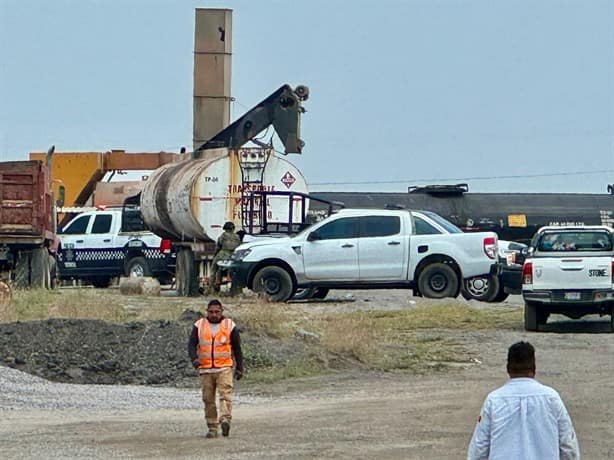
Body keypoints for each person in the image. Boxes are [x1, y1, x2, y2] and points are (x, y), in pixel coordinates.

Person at [467, 341, 580, 460]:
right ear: (534, 368)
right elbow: (568, 447)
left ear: (508, 369)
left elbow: (479, 449)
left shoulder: (494, 400)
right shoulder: (552, 398)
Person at [188, 299, 244, 438]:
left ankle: (225, 419)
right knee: (208, 399)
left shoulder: (229, 325)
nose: (214, 314)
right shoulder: (199, 325)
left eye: (217, 312)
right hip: (205, 369)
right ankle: (212, 427)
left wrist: (239, 368)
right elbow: (191, 345)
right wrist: (194, 359)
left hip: (224, 367)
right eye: (211, 312)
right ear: (207, 311)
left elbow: (237, 348)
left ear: (222, 312)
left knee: (225, 395)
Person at [209, 221, 241, 293]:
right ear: (233, 228)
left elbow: (218, 247)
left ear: (225, 229)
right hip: (234, 256)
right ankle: (236, 290)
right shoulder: (237, 237)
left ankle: (210, 288)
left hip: (223, 254)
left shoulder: (223, 236)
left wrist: (214, 256)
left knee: (213, 269)